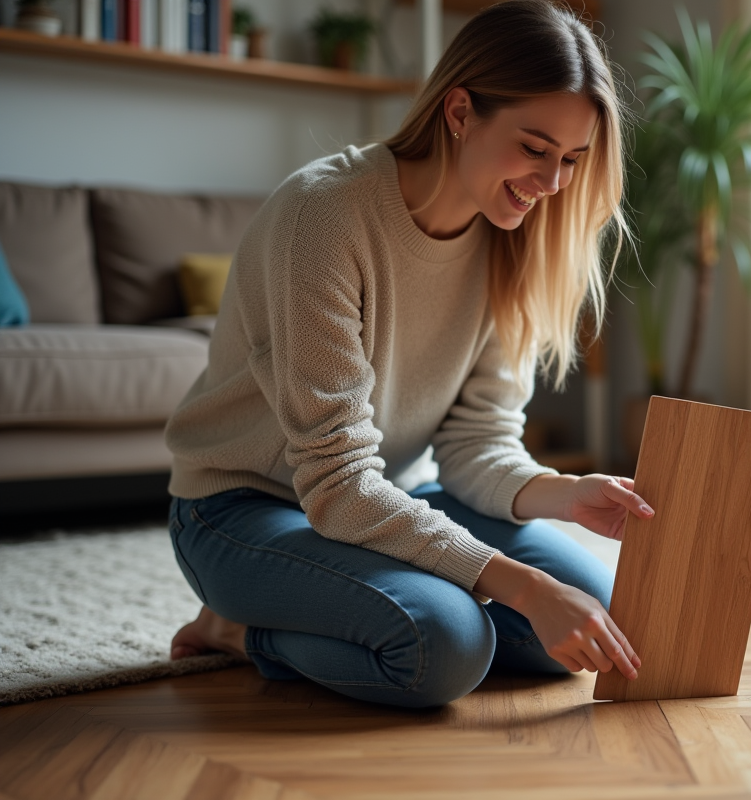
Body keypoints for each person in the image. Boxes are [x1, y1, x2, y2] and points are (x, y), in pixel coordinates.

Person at [163, 0, 652, 709]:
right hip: (242, 513)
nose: (552, 184)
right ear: (459, 112)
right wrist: (520, 586)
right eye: (535, 148)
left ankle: (360, 608)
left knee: (599, 613)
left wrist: (564, 495)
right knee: (446, 644)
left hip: (389, 494)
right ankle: (238, 630)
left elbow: (476, 446)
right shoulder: (323, 216)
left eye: (573, 160)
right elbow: (335, 486)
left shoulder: (510, 237)